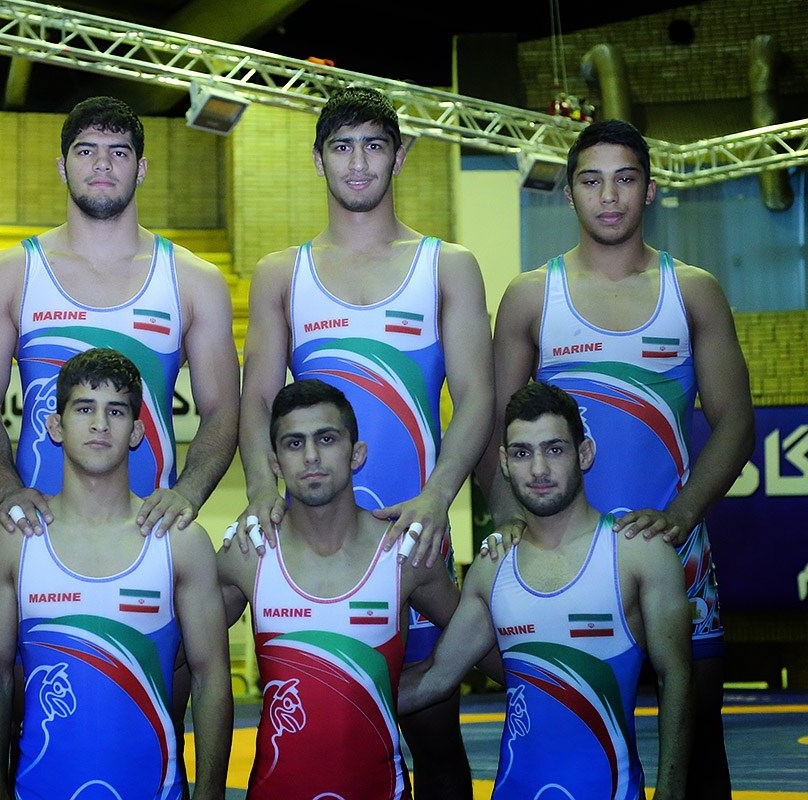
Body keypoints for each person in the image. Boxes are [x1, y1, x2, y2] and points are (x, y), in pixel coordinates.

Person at [234, 85, 493, 797]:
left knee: (436, 736)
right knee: (319, 725)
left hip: (413, 542)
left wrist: (437, 498)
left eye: (374, 146)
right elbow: (257, 398)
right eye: (342, 147)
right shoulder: (282, 273)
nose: (357, 163)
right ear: (318, 159)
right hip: (313, 551)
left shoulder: (446, 265)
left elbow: (478, 397)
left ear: (399, 156)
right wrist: (259, 488)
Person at [482, 119, 753, 798]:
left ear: (650, 190)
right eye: (592, 180)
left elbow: (736, 423)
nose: (609, 196)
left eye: (625, 179)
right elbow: (494, 428)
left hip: (675, 551)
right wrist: (506, 520)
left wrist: (681, 516)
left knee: (700, 746)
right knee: (568, 739)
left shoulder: (692, 290)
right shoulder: (531, 296)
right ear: (569, 192)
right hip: (563, 562)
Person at [0, 96, 238, 539]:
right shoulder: (9, 274)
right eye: (86, 150)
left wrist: (188, 494)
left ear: (141, 169)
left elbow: (223, 409)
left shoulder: (193, 280)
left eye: (119, 152)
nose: (102, 163)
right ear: (62, 167)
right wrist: (6, 491)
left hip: (150, 532)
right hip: (40, 531)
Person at [405, 382, 692, 799]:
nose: (538, 469)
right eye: (522, 453)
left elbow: (676, 676)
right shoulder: (493, 566)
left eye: (554, 449)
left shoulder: (638, 554)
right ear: (505, 463)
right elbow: (436, 677)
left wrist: (672, 791)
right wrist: (334, 693)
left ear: (585, 453)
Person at [0, 348, 231, 799]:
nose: (99, 424)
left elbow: (211, 677)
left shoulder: (179, 541)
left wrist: (209, 793)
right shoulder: (16, 540)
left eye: (115, 411)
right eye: (84, 409)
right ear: (55, 426)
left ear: (136, 432)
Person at [218, 379, 468, 800]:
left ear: (357, 454)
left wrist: (433, 680)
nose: (311, 456)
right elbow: (180, 658)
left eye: (326, 439)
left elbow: (489, 646)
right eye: (294, 443)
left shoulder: (403, 553)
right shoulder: (246, 554)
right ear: (275, 463)